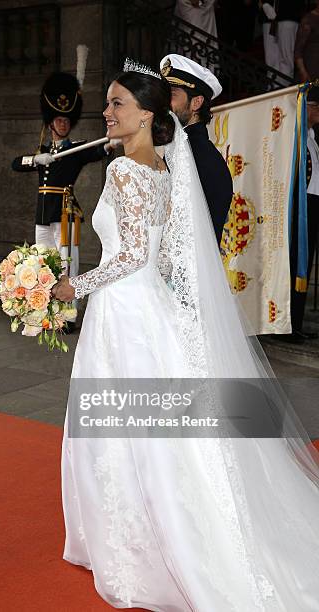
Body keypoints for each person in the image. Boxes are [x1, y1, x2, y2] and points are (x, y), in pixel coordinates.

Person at [53, 62, 319, 611]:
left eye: (116, 103)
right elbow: (170, 261)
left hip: (123, 311)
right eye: (108, 103)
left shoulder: (128, 170)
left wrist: (71, 287)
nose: (106, 112)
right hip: (149, 307)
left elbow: (128, 257)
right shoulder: (167, 171)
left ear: (147, 114)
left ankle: (135, 542)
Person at [12, 72, 113, 328]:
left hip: (64, 212)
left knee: (67, 265)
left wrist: (112, 143)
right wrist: (36, 159)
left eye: (66, 120)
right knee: (42, 262)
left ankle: (67, 316)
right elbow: (16, 163)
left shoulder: (75, 149)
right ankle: (44, 310)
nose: (63, 123)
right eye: (58, 119)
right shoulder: (43, 151)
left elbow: (98, 150)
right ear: (50, 124)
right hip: (43, 214)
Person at [159, 53, 232, 244]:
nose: (163, 104)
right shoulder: (179, 148)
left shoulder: (195, 155)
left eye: (172, 95)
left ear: (196, 103)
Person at [287, 85, 319, 344]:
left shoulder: (312, 137)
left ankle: (296, 323)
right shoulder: (294, 137)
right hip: (301, 206)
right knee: (296, 263)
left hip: (314, 206)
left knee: (305, 266)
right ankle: (289, 324)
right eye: (315, 106)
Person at [295, 0, 319, 82]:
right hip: (310, 74)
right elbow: (298, 50)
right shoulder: (308, 19)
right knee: (304, 94)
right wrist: (303, 72)